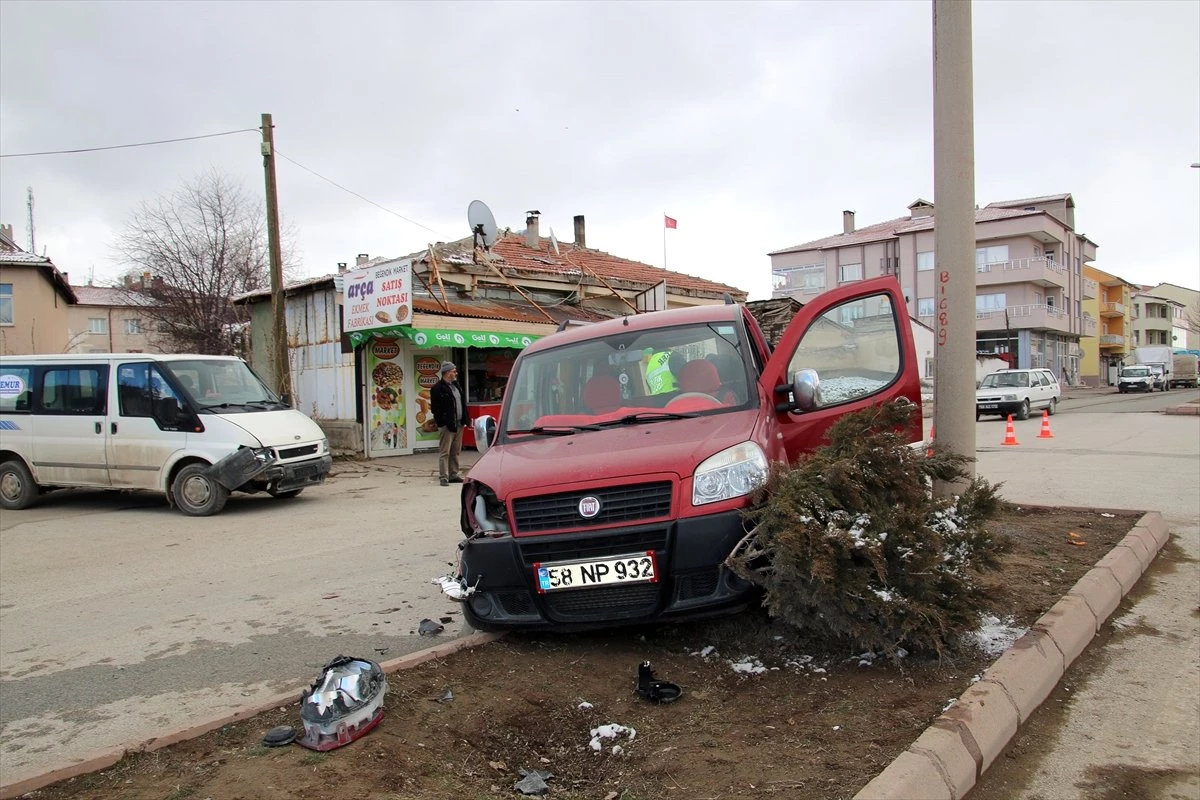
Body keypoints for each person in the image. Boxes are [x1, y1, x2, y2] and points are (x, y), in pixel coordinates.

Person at [431, 361, 469, 486]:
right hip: (447, 425)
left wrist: (465, 419)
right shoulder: (438, 388)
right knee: (445, 451)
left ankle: (454, 474)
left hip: (458, 423)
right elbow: (435, 408)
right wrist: (442, 422)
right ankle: (443, 476)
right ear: (447, 373)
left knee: (455, 450)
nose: (456, 373)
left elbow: (462, 403)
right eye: (453, 371)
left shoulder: (456, 386)